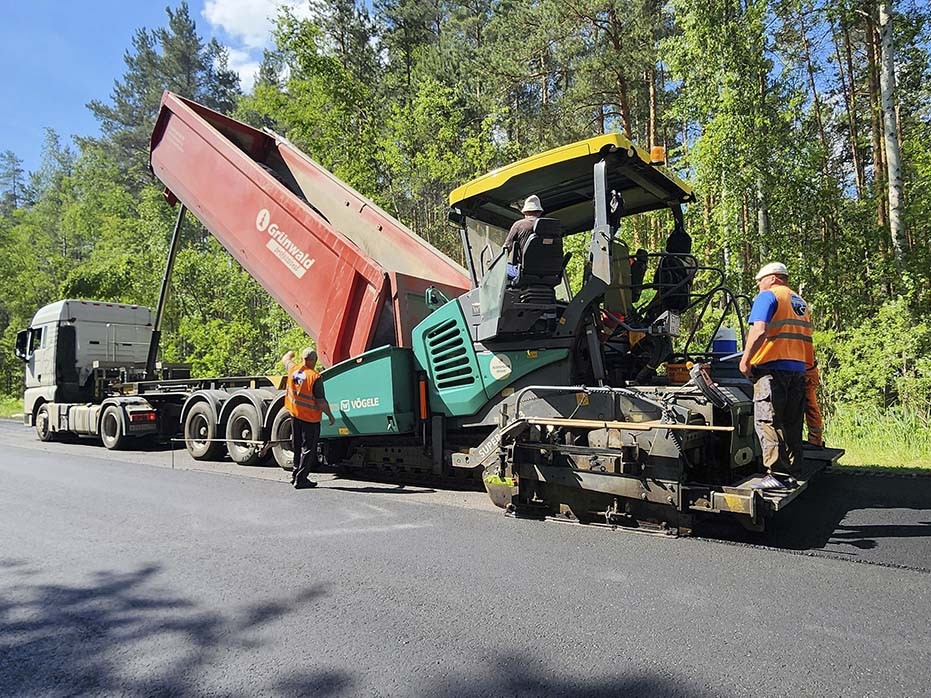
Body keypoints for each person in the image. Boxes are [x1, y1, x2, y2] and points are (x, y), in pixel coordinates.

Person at [738, 262, 814, 489]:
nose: (758, 286)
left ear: (771, 278)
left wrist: (745, 360)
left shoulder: (768, 296)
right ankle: (791, 470)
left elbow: (759, 330)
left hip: (772, 369)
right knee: (791, 421)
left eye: (759, 281)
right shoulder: (799, 302)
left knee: (767, 420)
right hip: (797, 369)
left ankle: (776, 475)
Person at [282, 348, 335, 490]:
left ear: (303, 359)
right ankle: (301, 479)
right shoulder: (314, 377)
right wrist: (330, 415)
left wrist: (290, 354)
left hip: (295, 415)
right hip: (309, 419)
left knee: (297, 445)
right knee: (308, 449)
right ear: (314, 360)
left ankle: (295, 474)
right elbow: (321, 402)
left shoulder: (293, 369)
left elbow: (285, 360)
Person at [503, 195, 544, 278]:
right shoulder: (551, 227)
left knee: (500, 269)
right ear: (540, 212)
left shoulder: (519, 225)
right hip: (548, 273)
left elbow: (507, 247)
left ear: (525, 212)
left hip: (525, 273)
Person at [805, 360, 824, 446]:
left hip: (806, 371)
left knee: (810, 406)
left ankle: (815, 440)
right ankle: (815, 439)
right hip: (806, 370)